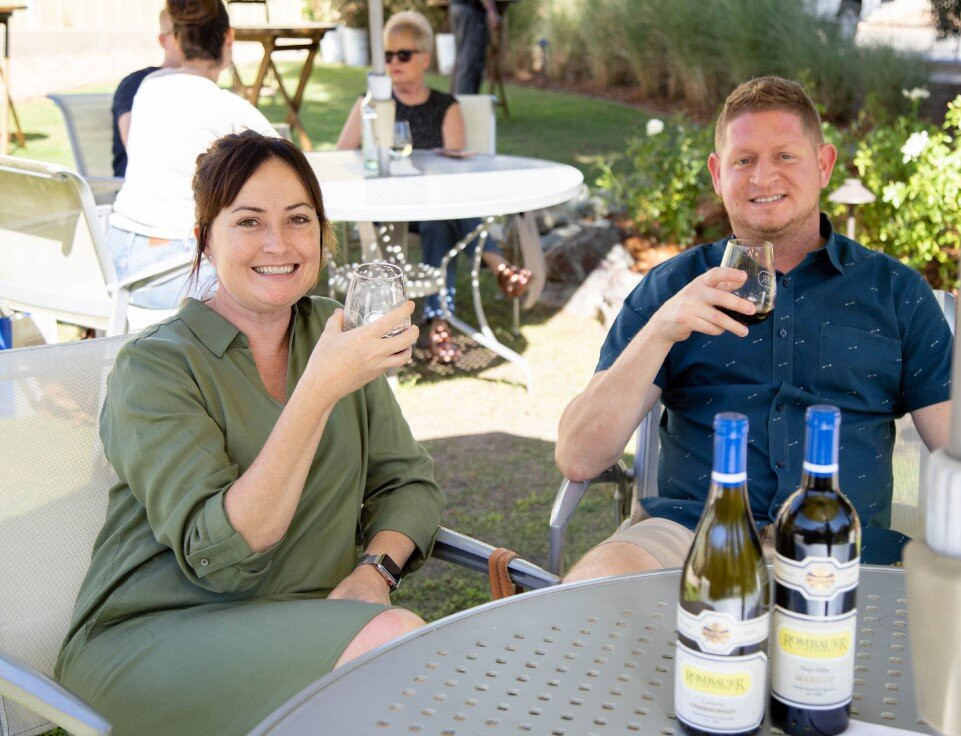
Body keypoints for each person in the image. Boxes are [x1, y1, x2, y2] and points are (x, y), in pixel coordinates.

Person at [55, 130, 445, 735]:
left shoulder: (336, 335)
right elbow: (224, 559)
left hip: (309, 623)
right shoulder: (155, 368)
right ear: (204, 240)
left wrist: (376, 571)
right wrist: (318, 391)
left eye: (298, 219)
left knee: (388, 651)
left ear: (322, 234)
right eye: (248, 222)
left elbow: (409, 484)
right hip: (156, 636)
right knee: (394, 647)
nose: (278, 243)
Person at [556, 76, 952, 576]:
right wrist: (661, 330)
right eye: (744, 160)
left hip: (845, 547)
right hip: (689, 536)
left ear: (824, 165)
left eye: (785, 156)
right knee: (597, 586)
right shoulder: (672, 288)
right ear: (718, 174)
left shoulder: (895, 292)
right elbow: (578, 458)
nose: (763, 178)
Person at [337, 10, 530, 363]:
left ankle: (439, 320)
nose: (394, 62)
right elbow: (341, 157)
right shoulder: (373, 104)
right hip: (388, 209)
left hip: (436, 207)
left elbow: (455, 170)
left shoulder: (446, 106)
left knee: (439, 220)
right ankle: (498, 266)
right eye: (389, 55)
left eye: (404, 54)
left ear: (425, 58)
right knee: (446, 217)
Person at [107, 0, 277, 282]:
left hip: (119, 255)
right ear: (229, 37)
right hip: (179, 265)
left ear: (177, 41)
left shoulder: (148, 89)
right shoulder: (233, 111)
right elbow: (290, 172)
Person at [110, 8, 184, 178]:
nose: (192, 41)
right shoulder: (137, 84)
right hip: (138, 191)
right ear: (163, 40)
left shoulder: (203, 87)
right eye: (181, 33)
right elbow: (138, 152)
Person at [449, 0, 499, 95]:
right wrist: (492, 11)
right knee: (470, 61)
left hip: (458, 8)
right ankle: (465, 105)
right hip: (471, 11)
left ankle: (453, 105)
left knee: (461, 60)